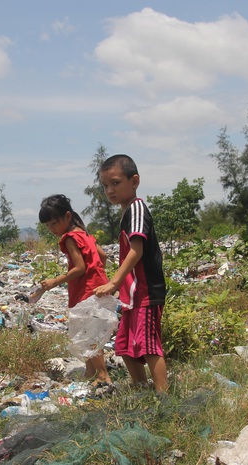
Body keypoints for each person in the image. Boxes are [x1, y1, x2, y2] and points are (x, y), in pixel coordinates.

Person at [94, 154, 168, 394]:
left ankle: (163, 398)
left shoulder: (136, 208)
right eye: (105, 186)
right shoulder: (127, 212)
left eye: (116, 183)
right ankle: (140, 389)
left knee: (148, 346)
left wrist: (114, 282)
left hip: (146, 292)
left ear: (134, 181)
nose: (110, 190)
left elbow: (137, 250)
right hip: (131, 295)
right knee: (125, 346)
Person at [38, 194, 112, 386]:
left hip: (86, 291)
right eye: (48, 226)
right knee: (88, 329)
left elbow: (79, 268)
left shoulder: (70, 238)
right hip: (98, 287)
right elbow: (102, 256)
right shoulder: (85, 234)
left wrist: (56, 281)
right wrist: (97, 274)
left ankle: (103, 375)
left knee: (88, 333)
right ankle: (90, 370)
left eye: (54, 223)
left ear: (68, 216)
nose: (52, 229)